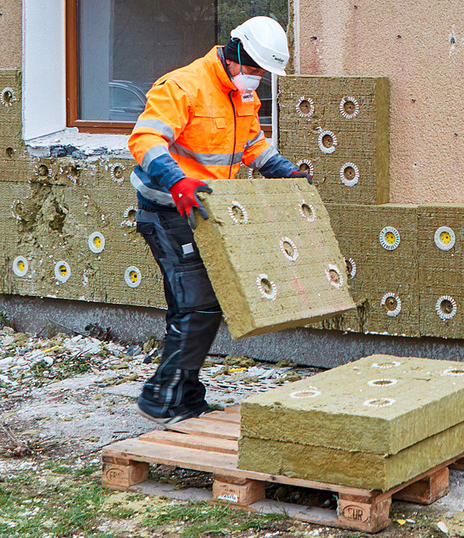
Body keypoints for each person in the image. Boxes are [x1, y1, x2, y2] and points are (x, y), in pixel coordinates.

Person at [127, 16, 310, 425]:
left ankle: (183, 395)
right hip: (167, 210)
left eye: (264, 71)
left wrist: (284, 171)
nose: (258, 76)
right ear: (236, 52)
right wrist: (177, 182)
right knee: (197, 305)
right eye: (256, 67)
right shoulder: (183, 86)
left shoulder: (242, 95)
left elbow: (252, 145)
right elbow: (145, 139)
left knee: (198, 305)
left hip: (206, 213)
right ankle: (161, 398)